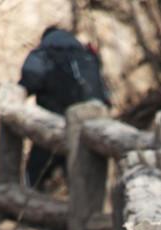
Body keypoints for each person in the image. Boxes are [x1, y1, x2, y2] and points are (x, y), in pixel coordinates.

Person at [19, 26, 110, 187]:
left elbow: (28, 83)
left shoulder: (44, 55)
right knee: (82, 184)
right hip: (90, 131)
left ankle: (23, 209)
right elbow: (104, 95)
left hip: (53, 128)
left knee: (33, 178)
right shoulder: (86, 55)